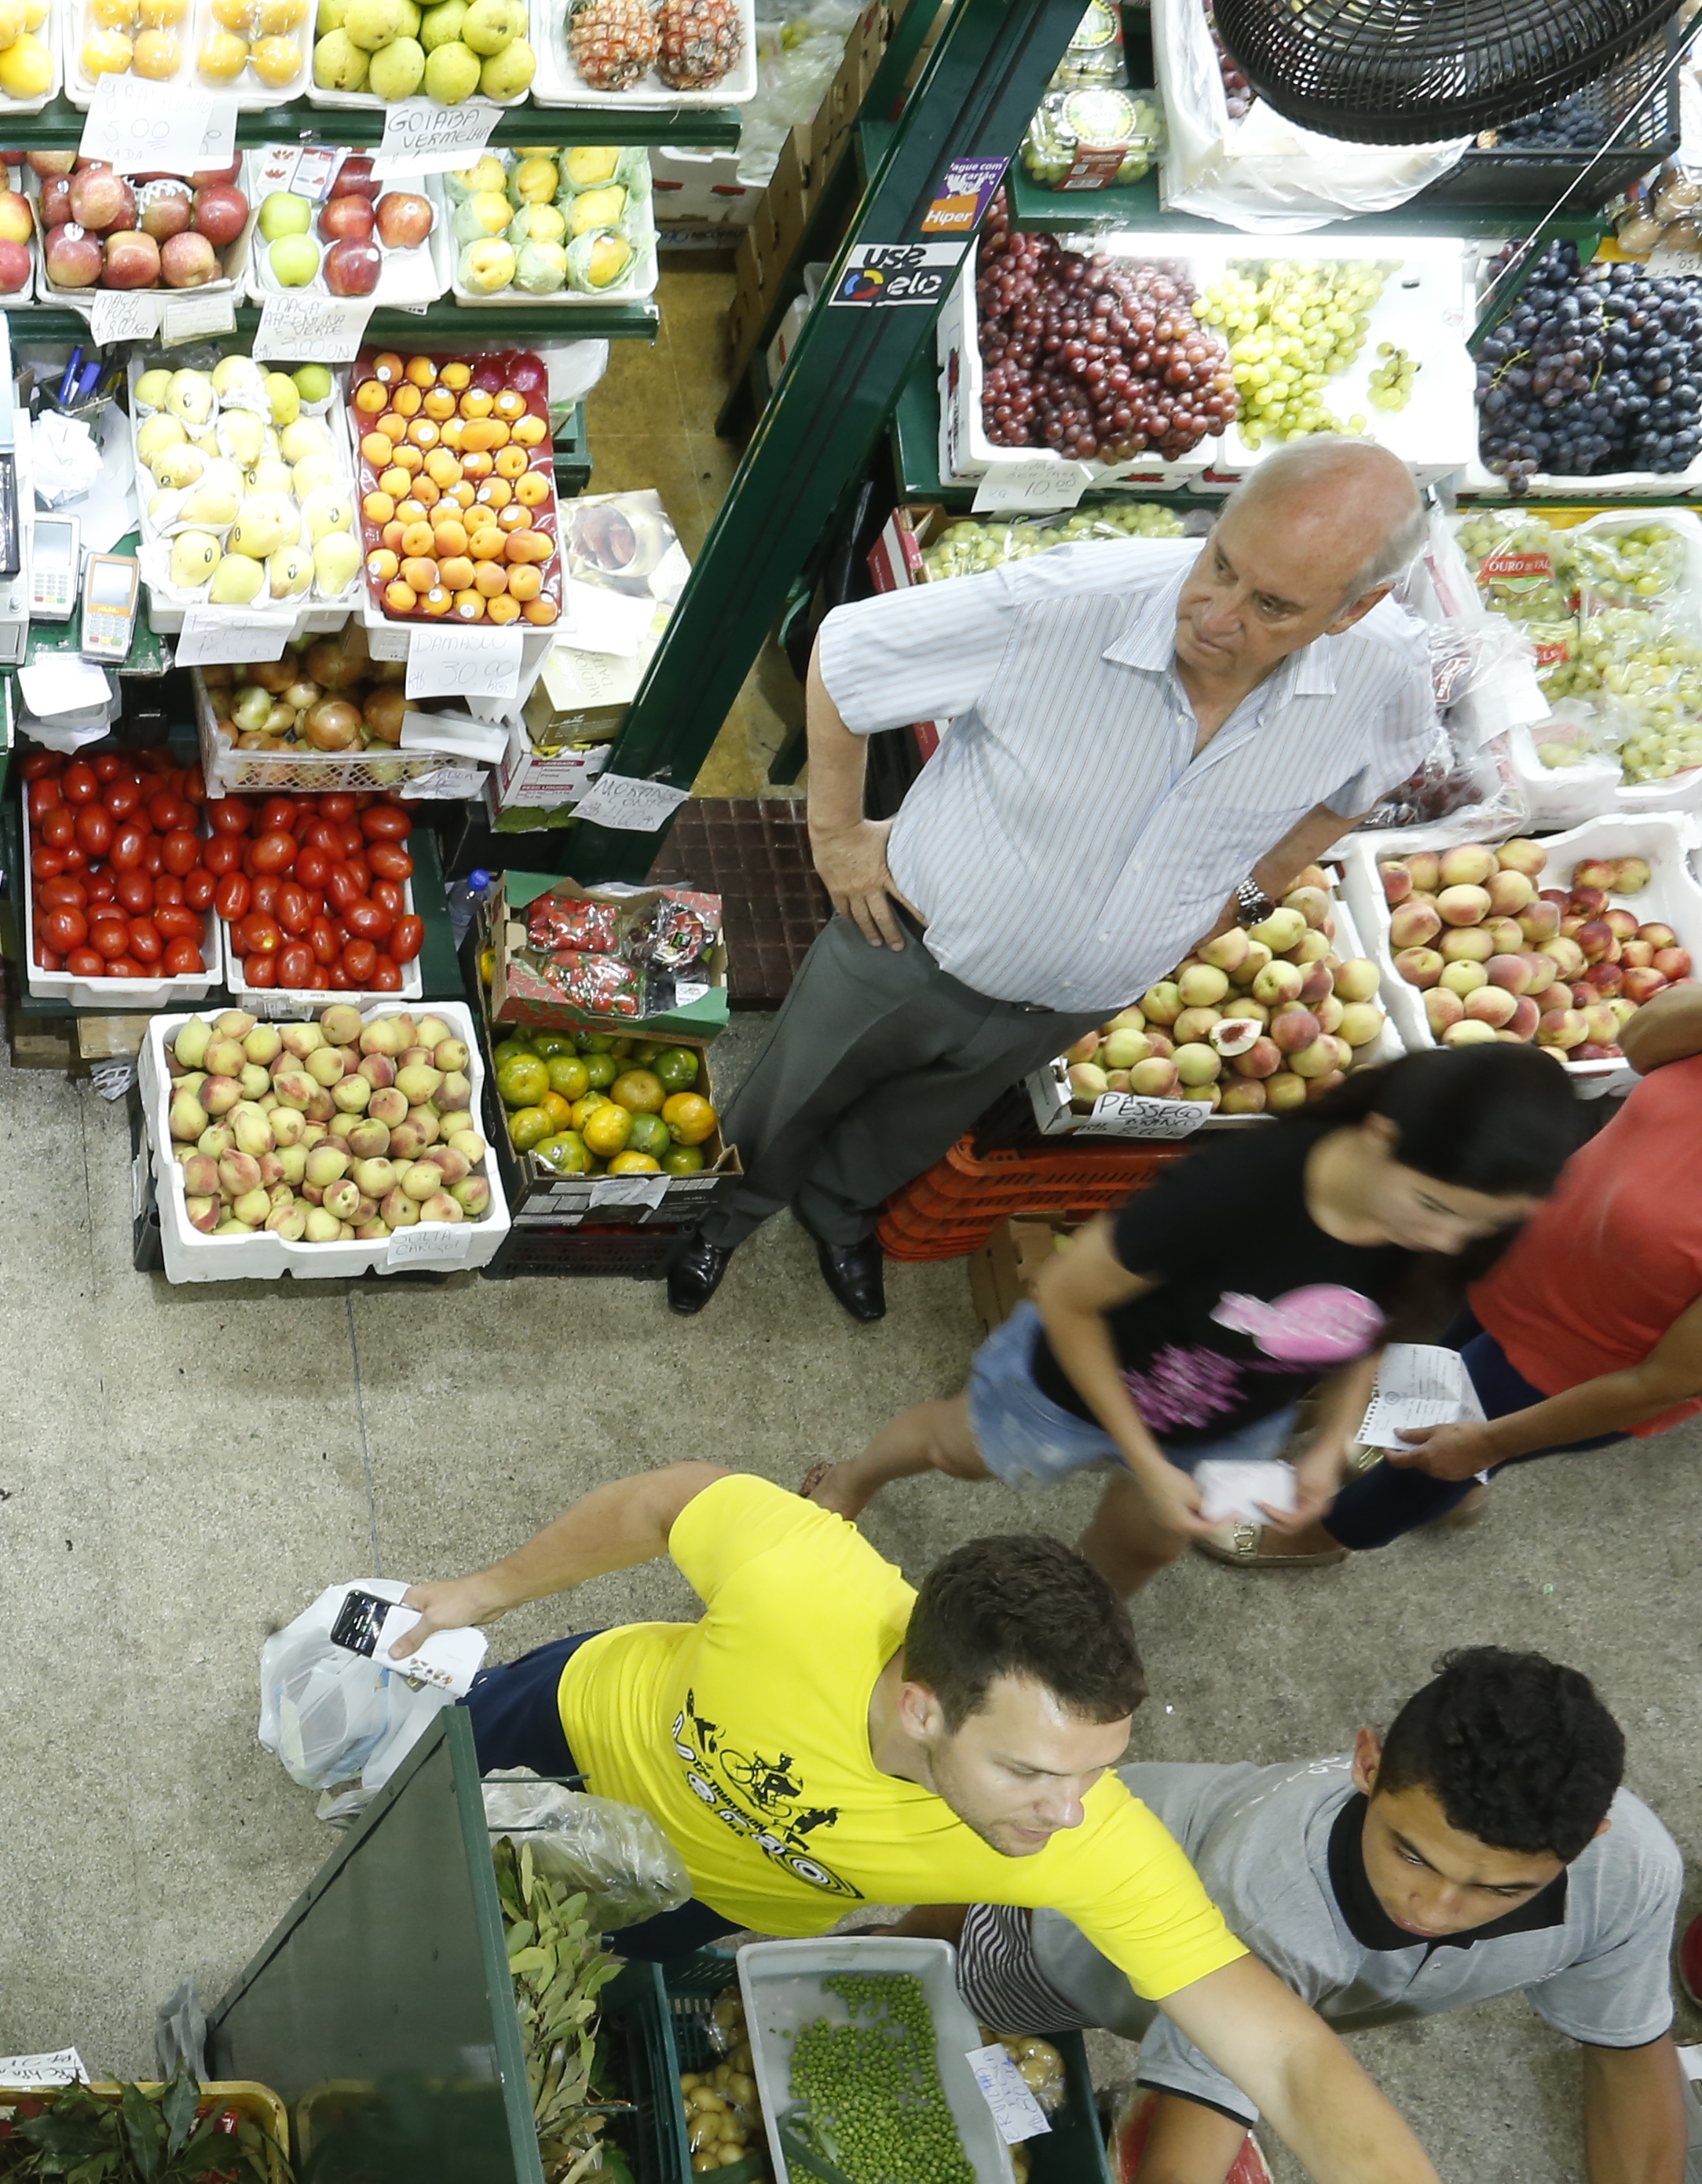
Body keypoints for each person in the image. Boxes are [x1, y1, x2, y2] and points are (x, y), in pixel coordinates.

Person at [390, 1464, 1580, 2184]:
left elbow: (1289, 2059)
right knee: (405, 1860)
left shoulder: (1081, 1837)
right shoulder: (802, 1578)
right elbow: (659, 1504)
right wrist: (478, 1594)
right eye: (1028, 1771)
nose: (1062, 1819)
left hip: (695, 1898)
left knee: (530, 1976)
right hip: (566, 1731)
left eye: (1094, 1773)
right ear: (921, 1707)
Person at [672, 441, 1445, 1326]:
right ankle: (726, 1213)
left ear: (1356, 610)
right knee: (795, 1093)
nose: (1215, 616)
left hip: (1078, 1000)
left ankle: (839, 1208)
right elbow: (847, 656)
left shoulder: (1384, 674)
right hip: (904, 948)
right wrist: (840, 840)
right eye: (1221, 563)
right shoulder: (1067, 602)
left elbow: (1362, 785)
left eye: (1270, 605)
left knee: (923, 1122)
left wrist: (1254, 889)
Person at [926, 1649, 1689, 2184]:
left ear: (1590, 1842)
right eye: (1411, 1853)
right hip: (1073, 1945)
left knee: (1213, 2095)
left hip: (1277, 2019)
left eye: (1499, 1890)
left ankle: (1200, 2096)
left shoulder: (1629, 1872)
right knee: (961, 1966)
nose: (1433, 1909)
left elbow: (1633, 2061)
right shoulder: (1268, 1888)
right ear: (1366, 1764)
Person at [799, 1044, 1582, 1596]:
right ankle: (852, 1479)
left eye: (1473, 1228)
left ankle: (1073, 1634)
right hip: (1071, 1387)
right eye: (1435, 1207)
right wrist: (1144, 1453)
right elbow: (1067, 1300)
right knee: (954, 1445)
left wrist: (1331, 1445)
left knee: (1144, 1548)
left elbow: (1366, 1334)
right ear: (1382, 1139)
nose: (1449, 1241)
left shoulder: (1440, 1238)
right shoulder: (1240, 1188)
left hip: (1229, 1426)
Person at [1210, 982, 1702, 1567]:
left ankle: (1312, 1538)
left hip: (1578, 1361)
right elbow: (1640, 1042)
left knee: (1432, 1463)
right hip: (1521, 1265)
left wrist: (1490, 1444)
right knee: (1429, 1380)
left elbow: (1663, 1383)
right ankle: (1425, 1463)